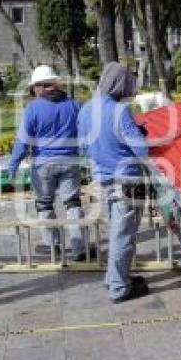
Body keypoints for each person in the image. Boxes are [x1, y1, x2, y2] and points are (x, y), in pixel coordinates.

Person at [77, 62, 150, 303]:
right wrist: (140, 135)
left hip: (105, 180)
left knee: (116, 231)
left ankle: (114, 278)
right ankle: (119, 287)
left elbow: (84, 146)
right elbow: (141, 149)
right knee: (123, 236)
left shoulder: (86, 110)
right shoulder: (120, 111)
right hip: (127, 180)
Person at [8, 65, 87, 260]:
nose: (34, 91)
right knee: (73, 203)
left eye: (35, 87)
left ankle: (52, 247)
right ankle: (80, 249)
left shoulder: (33, 109)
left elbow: (23, 141)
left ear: (42, 86)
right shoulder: (74, 105)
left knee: (44, 205)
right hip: (70, 161)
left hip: (43, 164)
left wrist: (13, 165)